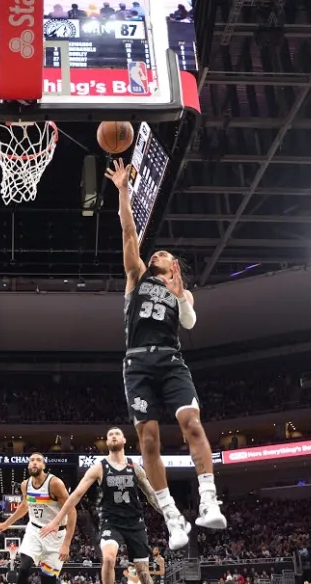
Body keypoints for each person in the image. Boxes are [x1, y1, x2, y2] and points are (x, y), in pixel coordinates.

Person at [105, 158, 227, 551]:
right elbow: (128, 232)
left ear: (174, 265)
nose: (154, 252)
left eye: (162, 253)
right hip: (138, 361)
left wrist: (180, 295)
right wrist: (123, 189)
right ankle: (172, 516)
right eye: (152, 252)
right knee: (150, 440)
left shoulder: (182, 294)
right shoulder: (136, 276)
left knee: (192, 423)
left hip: (172, 360)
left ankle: (208, 499)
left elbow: (189, 323)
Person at [40, 428, 164, 584]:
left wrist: (168, 513)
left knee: (143, 570)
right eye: (110, 435)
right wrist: (56, 519)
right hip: (111, 522)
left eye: (117, 434)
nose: (114, 436)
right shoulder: (99, 467)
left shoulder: (135, 467)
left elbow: (151, 495)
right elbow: (77, 494)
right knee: (108, 559)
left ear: (124, 440)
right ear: (107, 442)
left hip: (135, 523)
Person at [0, 453, 76, 584]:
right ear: (28, 465)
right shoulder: (25, 485)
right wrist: (6, 524)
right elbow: (25, 506)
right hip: (34, 531)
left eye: (38, 460)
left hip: (56, 536)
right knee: (22, 570)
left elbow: (72, 511)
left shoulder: (55, 484)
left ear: (44, 465)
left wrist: (67, 543)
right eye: (32, 460)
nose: (34, 462)